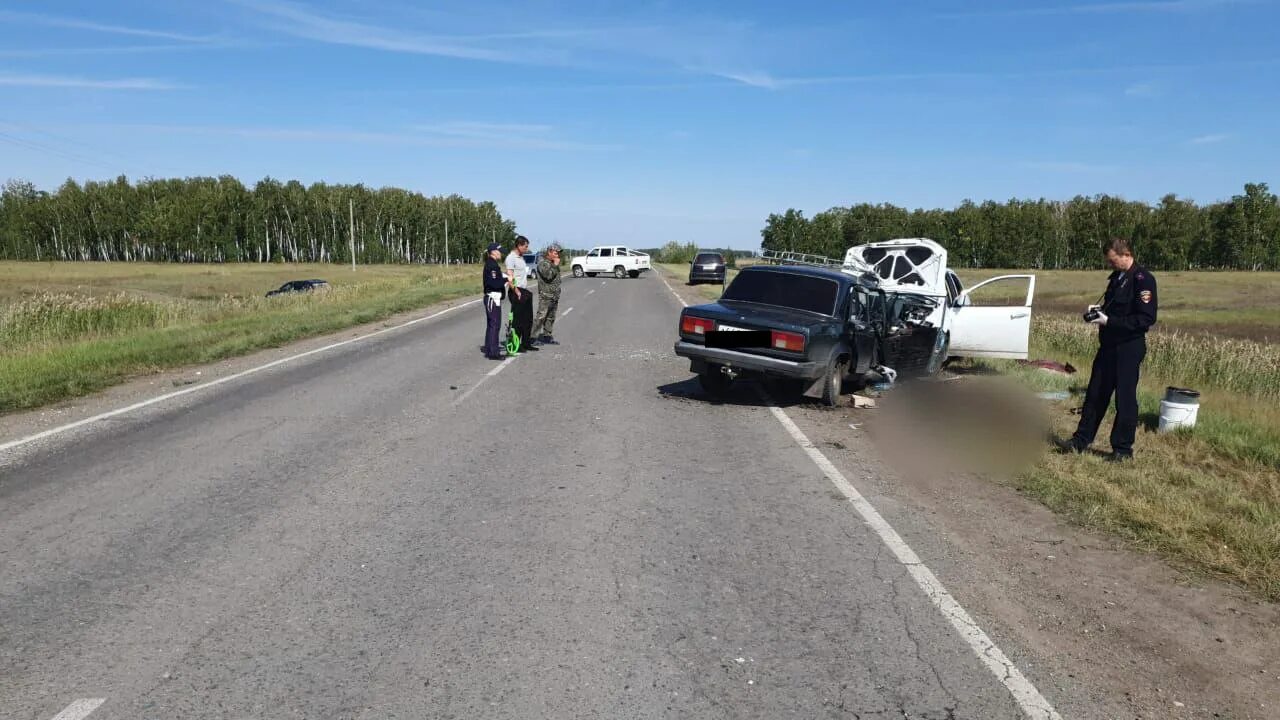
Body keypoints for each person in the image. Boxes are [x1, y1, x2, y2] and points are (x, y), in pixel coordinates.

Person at [1057, 237, 1158, 462]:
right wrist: (1098, 312)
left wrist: (1109, 322)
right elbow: (1114, 307)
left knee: (1125, 399)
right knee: (1095, 393)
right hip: (1108, 346)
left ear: (1126, 255)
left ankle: (1122, 450)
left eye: (1113, 261)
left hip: (1128, 347)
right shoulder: (1117, 278)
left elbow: (1145, 318)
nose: (1110, 265)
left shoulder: (1143, 280)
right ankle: (1080, 440)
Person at [504, 235, 537, 353]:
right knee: (518, 320)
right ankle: (516, 344)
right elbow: (510, 277)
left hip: (524, 290)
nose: (527, 249)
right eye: (525, 246)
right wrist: (516, 291)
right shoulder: (511, 258)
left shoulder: (521, 257)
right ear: (519, 245)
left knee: (528, 319)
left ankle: (526, 342)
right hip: (516, 290)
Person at [531, 243, 562, 345]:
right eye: (555, 252)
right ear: (549, 252)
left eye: (558, 253)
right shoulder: (543, 262)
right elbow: (548, 276)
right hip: (546, 295)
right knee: (541, 317)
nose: (558, 255)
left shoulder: (551, 262)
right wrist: (555, 265)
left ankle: (547, 335)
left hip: (554, 295)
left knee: (551, 317)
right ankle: (532, 337)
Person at [481, 242, 507, 360]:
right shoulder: (491, 265)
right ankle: (493, 352)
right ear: (494, 252)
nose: (501, 253)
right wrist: (506, 280)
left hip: (494, 297)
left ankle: (489, 348)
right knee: (495, 325)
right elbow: (493, 283)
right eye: (500, 251)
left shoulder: (493, 264)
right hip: (492, 297)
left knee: (492, 324)